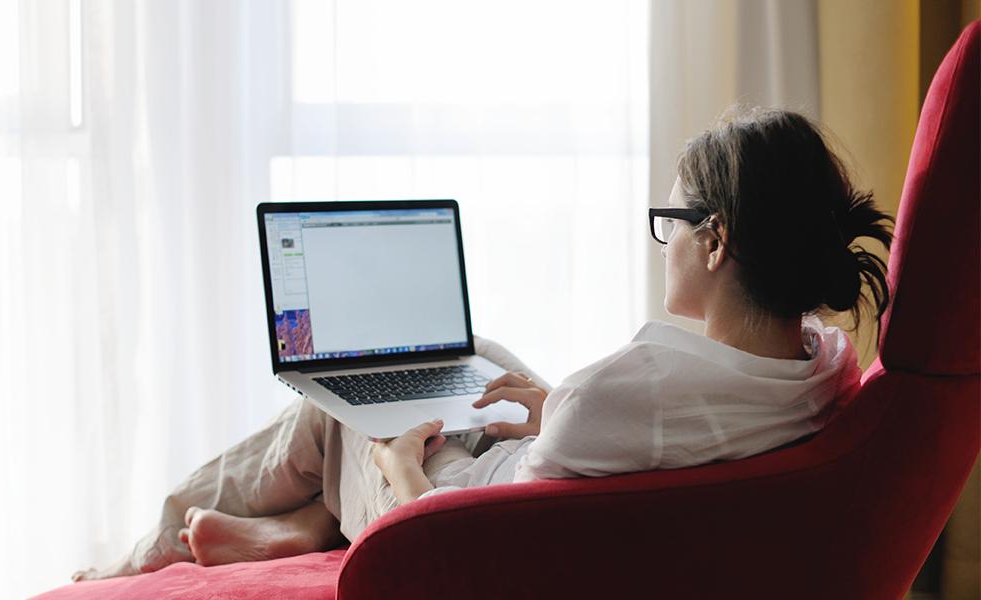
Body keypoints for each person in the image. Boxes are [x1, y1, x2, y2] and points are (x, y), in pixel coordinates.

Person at [72, 106, 893, 582]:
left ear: (715, 242)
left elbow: (461, 534)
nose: (663, 240)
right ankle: (306, 524)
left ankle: (144, 556)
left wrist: (399, 468)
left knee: (345, 401)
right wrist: (552, 410)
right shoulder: (821, 363)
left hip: (455, 511)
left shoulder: (623, 393)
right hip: (553, 471)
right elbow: (628, 433)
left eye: (670, 223)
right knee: (474, 351)